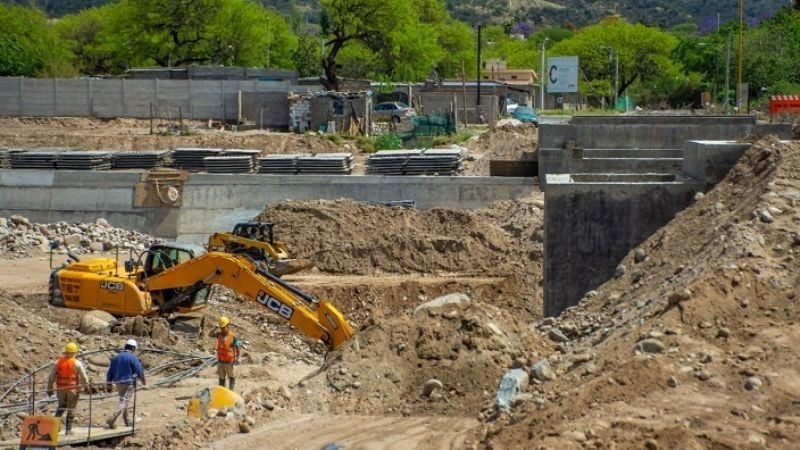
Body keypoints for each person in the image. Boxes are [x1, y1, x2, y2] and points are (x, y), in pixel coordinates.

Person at [46, 342, 89, 435]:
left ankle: (55, 428)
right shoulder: (77, 363)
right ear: (74, 352)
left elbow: (51, 377)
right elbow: (84, 377)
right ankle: (68, 430)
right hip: (72, 389)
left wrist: (49, 388)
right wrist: (86, 387)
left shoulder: (58, 362)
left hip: (60, 389)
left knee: (61, 406)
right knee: (71, 408)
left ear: (65, 351)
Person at [105, 339, 146, 429]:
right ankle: (112, 418)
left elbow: (110, 372)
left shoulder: (116, 357)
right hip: (129, 383)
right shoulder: (133, 357)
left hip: (118, 383)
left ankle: (127, 420)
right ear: (133, 348)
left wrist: (109, 384)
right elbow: (139, 369)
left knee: (123, 401)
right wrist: (143, 380)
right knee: (124, 402)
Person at [216, 316, 241, 390]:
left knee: (231, 377)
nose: (222, 329)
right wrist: (214, 328)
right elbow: (210, 334)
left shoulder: (233, 336)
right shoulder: (219, 334)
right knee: (221, 377)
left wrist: (237, 357)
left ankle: (231, 391)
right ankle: (221, 391)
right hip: (220, 360)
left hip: (229, 361)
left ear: (228, 326)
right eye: (221, 328)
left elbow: (237, 347)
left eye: (223, 327)